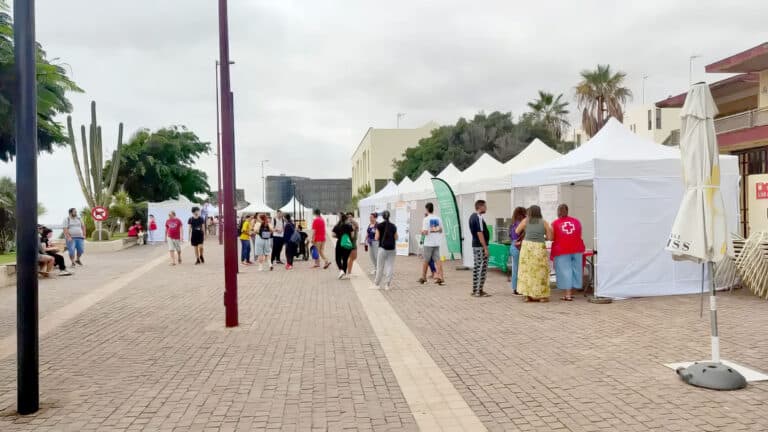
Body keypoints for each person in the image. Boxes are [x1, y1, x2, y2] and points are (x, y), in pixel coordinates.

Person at [516, 205, 553, 302]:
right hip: (539, 247)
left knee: (526, 271)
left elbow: (516, 231)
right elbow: (550, 237)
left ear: (530, 212)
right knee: (541, 271)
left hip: (527, 247)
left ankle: (527, 296)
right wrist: (542, 236)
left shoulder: (525, 221)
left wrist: (526, 230)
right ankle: (542, 296)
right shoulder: (544, 222)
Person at [552, 204, 585, 302]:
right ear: (567, 211)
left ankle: (568, 295)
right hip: (577, 249)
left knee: (565, 271)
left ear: (558, 211)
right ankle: (572, 291)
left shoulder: (555, 223)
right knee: (576, 270)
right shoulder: (576, 221)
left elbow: (553, 237)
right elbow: (579, 234)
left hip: (562, 250)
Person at [469, 200, 491, 297]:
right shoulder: (478, 217)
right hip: (480, 246)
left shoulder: (472, 217)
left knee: (477, 267)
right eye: (485, 206)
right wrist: (485, 248)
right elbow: (480, 233)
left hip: (475, 245)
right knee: (482, 268)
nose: (486, 208)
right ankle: (479, 291)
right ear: (480, 207)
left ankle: (475, 290)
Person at [419, 203, 445, 285]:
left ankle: (423, 277)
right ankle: (441, 277)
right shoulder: (438, 218)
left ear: (427, 209)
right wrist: (434, 230)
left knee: (426, 260)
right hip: (436, 242)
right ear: (433, 209)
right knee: (438, 260)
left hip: (428, 243)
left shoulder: (426, 219)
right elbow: (441, 230)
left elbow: (425, 232)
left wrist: (421, 231)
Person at [374, 210, 397, 290]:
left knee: (380, 267)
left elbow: (376, 238)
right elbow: (396, 237)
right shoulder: (393, 226)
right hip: (392, 249)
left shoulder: (379, 226)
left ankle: (377, 284)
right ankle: (387, 285)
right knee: (390, 266)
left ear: (382, 216)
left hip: (382, 249)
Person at [509, 207, 527, 295]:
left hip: (513, 245)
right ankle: (520, 288)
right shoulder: (522, 223)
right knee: (522, 268)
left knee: (515, 268)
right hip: (519, 246)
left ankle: (515, 288)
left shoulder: (512, 224)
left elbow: (510, 236)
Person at [332, 213, 354, 279]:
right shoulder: (349, 226)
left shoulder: (337, 226)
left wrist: (339, 236)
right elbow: (352, 236)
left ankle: (341, 270)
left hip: (339, 243)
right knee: (345, 259)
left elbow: (333, 235)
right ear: (346, 219)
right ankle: (344, 273)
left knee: (337, 258)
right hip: (348, 243)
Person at [346, 212, 360, 276]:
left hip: (353, 242)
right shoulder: (347, 224)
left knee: (353, 257)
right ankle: (348, 272)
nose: (350, 218)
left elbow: (357, 227)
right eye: (348, 217)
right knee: (351, 257)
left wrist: (353, 223)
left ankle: (347, 271)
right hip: (350, 243)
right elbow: (351, 235)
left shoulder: (354, 223)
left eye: (351, 216)